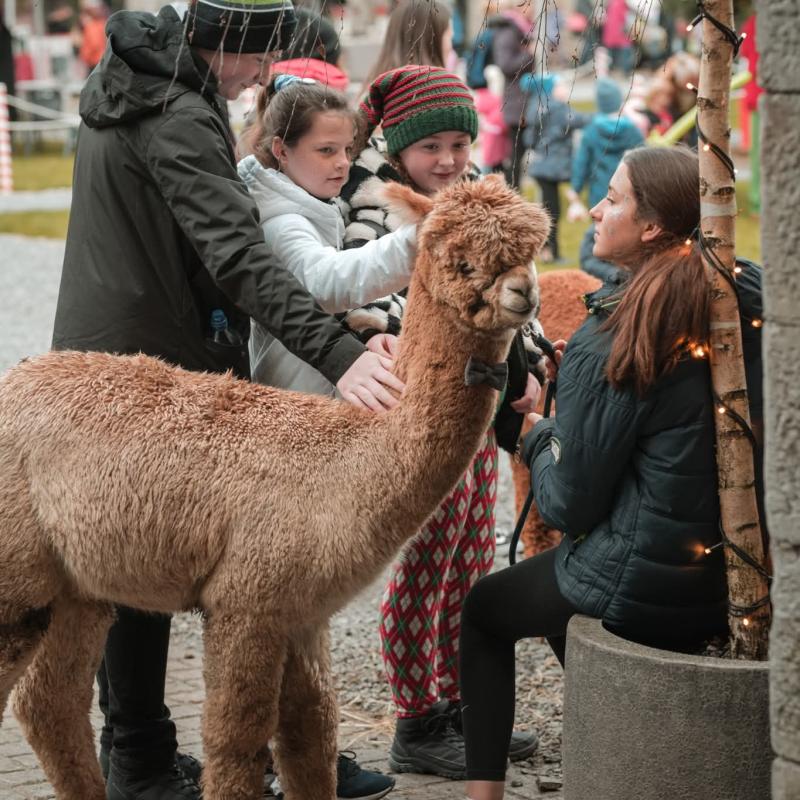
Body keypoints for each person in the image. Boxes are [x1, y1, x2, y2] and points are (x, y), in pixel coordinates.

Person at [52, 3, 404, 799]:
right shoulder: (174, 109)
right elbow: (238, 255)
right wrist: (340, 356)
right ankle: (141, 762)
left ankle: (142, 746)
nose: (261, 76)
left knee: (132, 556)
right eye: (258, 56)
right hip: (141, 365)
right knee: (138, 560)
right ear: (230, 41)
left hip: (120, 350)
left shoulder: (148, 82)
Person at [457, 145, 764, 800]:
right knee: (558, 584)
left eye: (614, 198)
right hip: (748, 569)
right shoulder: (747, 302)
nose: (595, 209)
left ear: (652, 227)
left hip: (654, 587)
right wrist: (582, 397)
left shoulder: (617, 337)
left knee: (485, 610)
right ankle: (624, 726)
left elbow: (568, 505)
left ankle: (487, 793)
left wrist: (542, 432)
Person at [338, 65, 541, 781]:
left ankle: (459, 702)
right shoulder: (379, 210)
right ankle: (417, 717)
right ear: (399, 146)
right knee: (426, 562)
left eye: (459, 143)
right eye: (432, 147)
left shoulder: (475, 198)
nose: (449, 160)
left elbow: (514, 297)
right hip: (422, 411)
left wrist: (531, 358)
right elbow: (360, 298)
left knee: (469, 557)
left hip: (476, 408)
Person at [566, 77, 644, 285]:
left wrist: (575, 188)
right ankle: (620, 269)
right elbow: (643, 158)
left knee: (599, 231)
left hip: (600, 191)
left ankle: (604, 268)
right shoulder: (631, 129)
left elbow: (582, 162)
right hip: (626, 192)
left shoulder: (592, 131)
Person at [521, 73, 591, 263]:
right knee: (553, 212)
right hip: (551, 168)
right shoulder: (558, 108)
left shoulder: (536, 106)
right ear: (551, 89)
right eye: (562, 86)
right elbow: (579, 120)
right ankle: (552, 253)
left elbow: (528, 139)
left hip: (541, 165)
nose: (566, 89)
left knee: (548, 209)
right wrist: (607, 116)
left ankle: (545, 250)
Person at [361, 0, 452, 90]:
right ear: (432, 41)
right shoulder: (442, 92)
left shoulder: (373, 90)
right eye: (450, 37)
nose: (451, 47)